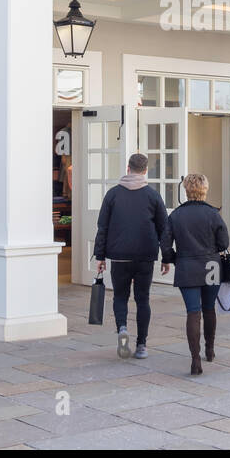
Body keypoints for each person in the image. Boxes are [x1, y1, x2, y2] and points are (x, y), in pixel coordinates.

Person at [94, 152, 167, 360]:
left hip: (119, 256)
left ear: (128, 168)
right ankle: (142, 345)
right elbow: (164, 228)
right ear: (145, 171)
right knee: (143, 299)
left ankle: (123, 329)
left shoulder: (113, 194)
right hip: (145, 255)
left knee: (120, 297)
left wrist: (100, 256)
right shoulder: (153, 196)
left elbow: (103, 227)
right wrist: (167, 257)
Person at [160, 173, 229, 375]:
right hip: (211, 266)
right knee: (209, 308)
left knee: (193, 312)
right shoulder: (213, 214)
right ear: (204, 190)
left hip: (187, 265)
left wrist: (172, 258)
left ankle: (195, 359)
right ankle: (210, 349)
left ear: (186, 190)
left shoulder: (176, 215)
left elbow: (165, 243)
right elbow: (224, 243)